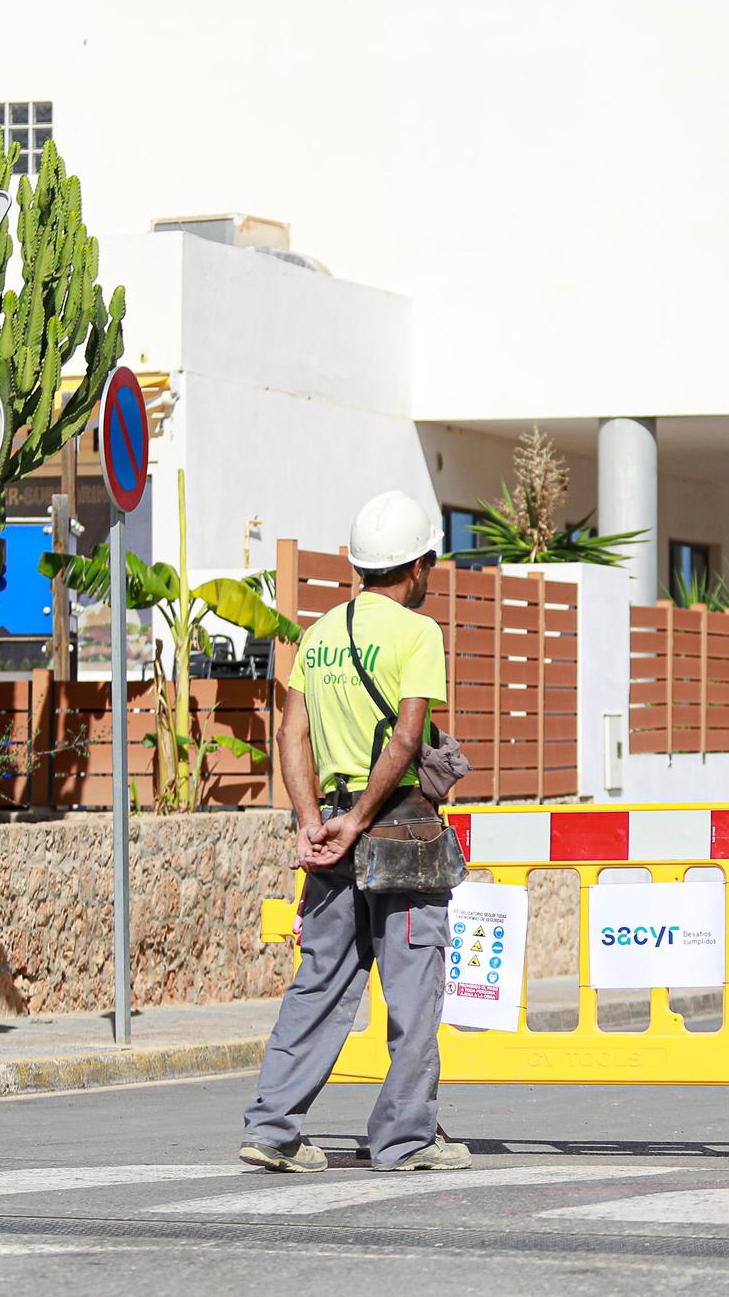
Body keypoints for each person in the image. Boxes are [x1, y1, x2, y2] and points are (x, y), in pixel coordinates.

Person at [239, 491, 469, 1173]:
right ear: (419, 565)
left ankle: (273, 1127)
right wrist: (362, 819)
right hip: (398, 832)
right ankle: (404, 1138)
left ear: (359, 566)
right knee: (412, 991)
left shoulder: (320, 633)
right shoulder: (417, 633)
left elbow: (291, 732)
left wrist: (316, 824)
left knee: (320, 983)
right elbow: (404, 737)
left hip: (333, 833)